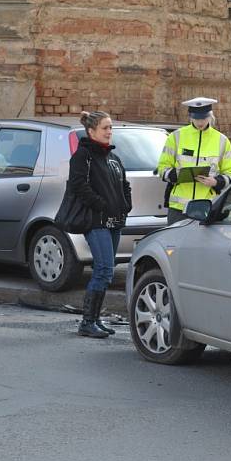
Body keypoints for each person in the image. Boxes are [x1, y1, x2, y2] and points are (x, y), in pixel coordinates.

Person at [68, 111, 132, 338]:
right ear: (91, 131)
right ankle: (87, 322)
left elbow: (124, 183)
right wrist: (101, 204)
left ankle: (95, 319)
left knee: (106, 271)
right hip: (96, 221)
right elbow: (78, 185)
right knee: (104, 269)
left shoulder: (112, 156)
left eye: (110, 128)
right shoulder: (83, 155)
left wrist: (126, 204)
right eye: (105, 128)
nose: (109, 132)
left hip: (115, 221)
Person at [157, 97, 231, 224]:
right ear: (190, 116)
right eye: (197, 118)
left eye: (204, 118)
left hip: (207, 206)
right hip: (178, 208)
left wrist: (216, 182)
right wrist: (177, 175)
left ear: (210, 116)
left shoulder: (222, 141)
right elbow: (161, 169)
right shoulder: (175, 137)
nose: (200, 122)